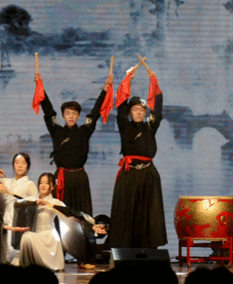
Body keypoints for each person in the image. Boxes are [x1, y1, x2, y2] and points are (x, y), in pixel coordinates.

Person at [36, 71, 111, 215]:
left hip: (80, 178)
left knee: (82, 214)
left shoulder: (84, 131)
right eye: (68, 113)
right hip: (61, 178)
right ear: (63, 115)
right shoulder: (56, 131)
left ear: (78, 116)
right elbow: (48, 112)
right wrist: (40, 87)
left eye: (74, 113)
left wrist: (105, 91)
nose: (71, 116)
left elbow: (95, 113)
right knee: (59, 214)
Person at [109, 66, 167, 249]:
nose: (139, 112)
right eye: (135, 109)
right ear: (130, 112)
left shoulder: (150, 126)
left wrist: (154, 82)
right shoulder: (124, 126)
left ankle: (148, 248)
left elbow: (158, 110)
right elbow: (120, 106)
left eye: (142, 109)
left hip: (148, 174)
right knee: (126, 211)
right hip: (129, 174)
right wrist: (128, 80)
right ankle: (125, 248)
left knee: (149, 212)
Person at [15, 172, 65, 271]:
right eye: (41, 183)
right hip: (36, 234)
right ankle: (27, 266)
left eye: (47, 183)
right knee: (26, 236)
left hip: (49, 237)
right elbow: (17, 203)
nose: (43, 185)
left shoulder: (55, 202)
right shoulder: (32, 199)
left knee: (27, 236)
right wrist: (34, 203)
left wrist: (48, 204)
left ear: (52, 186)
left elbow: (67, 213)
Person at [0, 153, 38, 261]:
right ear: (13, 165)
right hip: (6, 218)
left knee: (15, 252)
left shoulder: (30, 184)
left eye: (23, 163)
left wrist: (11, 194)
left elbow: (34, 204)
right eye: (17, 163)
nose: (20, 166)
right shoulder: (6, 181)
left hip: (19, 219)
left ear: (27, 166)